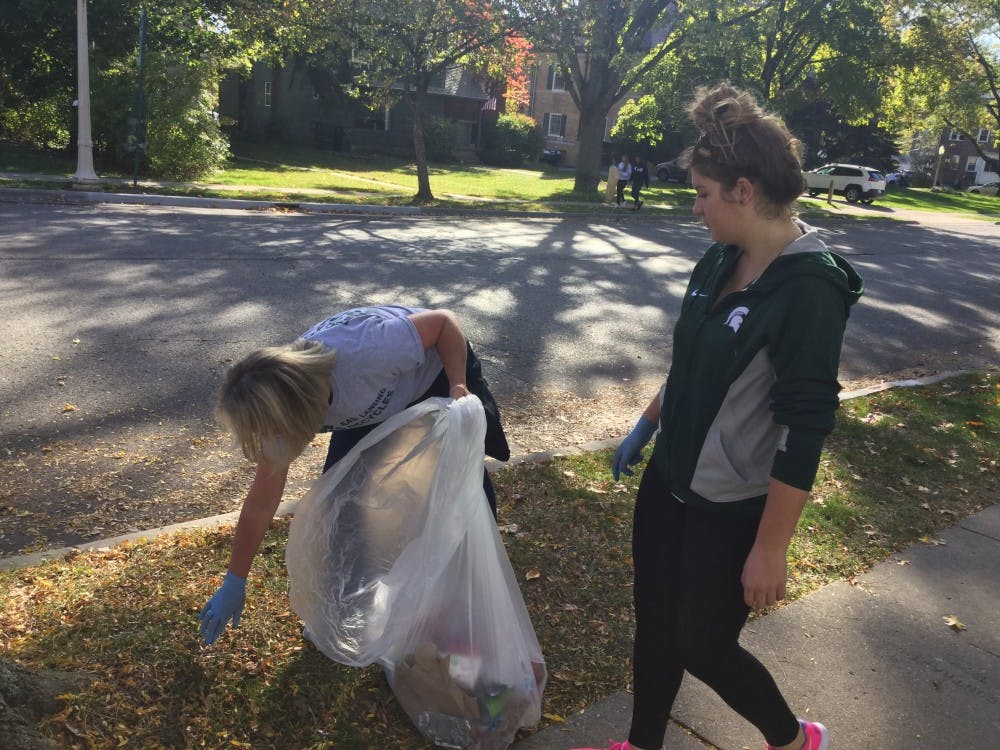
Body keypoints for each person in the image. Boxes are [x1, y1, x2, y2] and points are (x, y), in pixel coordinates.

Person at [577, 84, 863, 750]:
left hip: (730, 504)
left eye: (703, 194)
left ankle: (794, 739)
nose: (695, 208)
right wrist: (647, 424)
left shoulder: (809, 289)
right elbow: (692, 362)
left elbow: (805, 426)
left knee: (702, 644)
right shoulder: (719, 257)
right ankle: (640, 744)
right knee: (654, 624)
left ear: (742, 191)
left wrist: (771, 546)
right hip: (671, 479)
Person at [198, 306, 510, 646]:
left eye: (274, 434)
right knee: (341, 503)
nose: (272, 443)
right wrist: (235, 580)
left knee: (460, 481)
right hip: (369, 406)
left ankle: (476, 578)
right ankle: (347, 605)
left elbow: (443, 323)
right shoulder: (286, 406)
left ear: (301, 413)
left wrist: (458, 385)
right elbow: (261, 501)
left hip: (435, 372)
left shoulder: (366, 353)